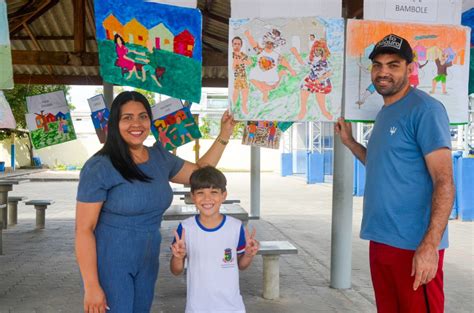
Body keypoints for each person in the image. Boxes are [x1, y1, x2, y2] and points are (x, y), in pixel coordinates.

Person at [75, 91, 236, 313]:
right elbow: (84, 229)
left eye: (143, 116)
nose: (136, 124)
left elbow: (199, 173)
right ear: (115, 123)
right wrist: (91, 286)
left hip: (148, 258)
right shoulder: (99, 166)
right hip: (112, 261)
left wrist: (224, 134)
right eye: (127, 117)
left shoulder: (159, 157)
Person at [335, 34, 454, 313]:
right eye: (377, 65)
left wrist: (429, 246)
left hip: (413, 245)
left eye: (393, 64)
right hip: (381, 239)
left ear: (410, 69)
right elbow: (382, 165)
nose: (383, 72)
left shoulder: (425, 110)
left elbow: (444, 180)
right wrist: (351, 143)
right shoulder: (385, 112)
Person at [170, 166, 259, 313]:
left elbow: (241, 265)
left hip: (232, 307)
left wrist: (248, 255)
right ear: (193, 196)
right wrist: (178, 257)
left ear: (223, 195)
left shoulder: (235, 227)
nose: (207, 198)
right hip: (197, 308)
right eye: (200, 193)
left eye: (214, 192)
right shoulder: (186, 229)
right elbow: (175, 270)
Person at [244, 28, 296, 102]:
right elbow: (254, 44)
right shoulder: (261, 51)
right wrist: (249, 36)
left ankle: (277, 77)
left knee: (272, 86)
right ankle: (264, 92)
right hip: (259, 73)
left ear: (274, 44)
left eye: (271, 43)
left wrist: (291, 70)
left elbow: (284, 61)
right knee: (254, 79)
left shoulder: (275, 54)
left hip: (270, 74)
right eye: (267, 43)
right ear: (265, 43)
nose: (269, 45)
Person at [292, 38, 333, 120]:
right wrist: (296, 53)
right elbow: (303, 63)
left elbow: (329, 72)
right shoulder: (311, 59)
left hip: (321, 81)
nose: (317, 52)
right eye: (316, 49)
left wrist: (320, 78)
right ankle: (303, 110)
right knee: (304, 89)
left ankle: (324, 112)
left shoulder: (324, 61)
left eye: (319, 50)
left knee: (320, 98)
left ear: (323, 51)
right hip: (311, 78)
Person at [231, 36, 252, 114]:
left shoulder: (242, 54)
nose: (236, 45)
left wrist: (242, 59)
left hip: (242, 75)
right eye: (235, 44)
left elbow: (250, 62)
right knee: (236, 91)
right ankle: (234, 106)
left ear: (241, 45)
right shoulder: (232, 54)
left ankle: (243, 106)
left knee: (245, 91)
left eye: (238, 44)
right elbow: (233, 66)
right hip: (236, 76)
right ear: (232, 45)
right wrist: (239, 60)